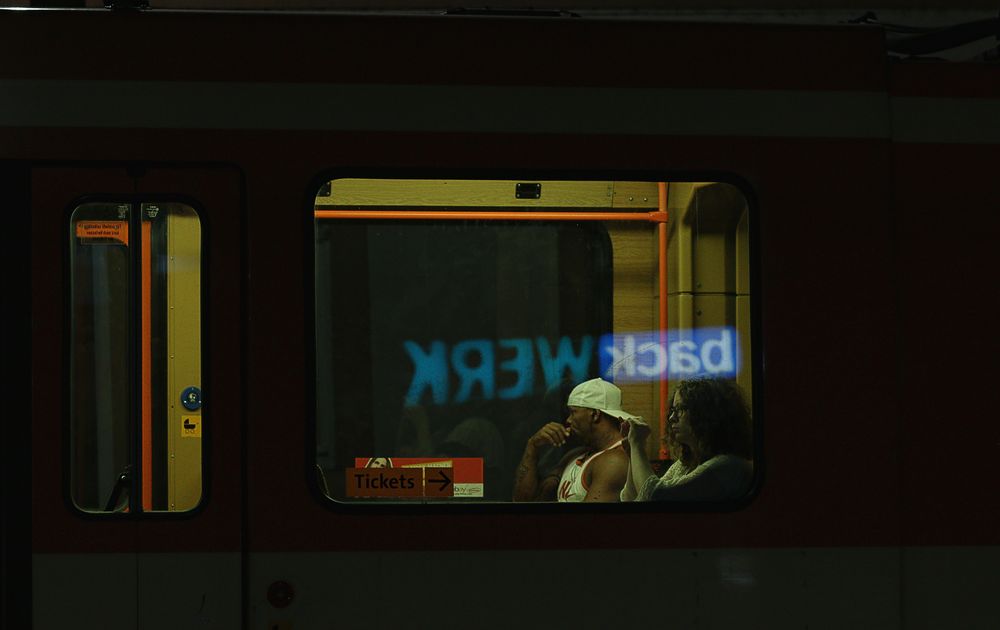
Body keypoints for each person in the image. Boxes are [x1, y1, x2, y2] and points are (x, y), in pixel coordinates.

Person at [620, 377, 752, 502]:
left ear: (706, 413)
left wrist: (637, 445)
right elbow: (632, 499)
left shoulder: (729, 467)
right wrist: (633, 452)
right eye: (672, 410)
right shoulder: (686, 464)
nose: (671, 418)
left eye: (681, 409)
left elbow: (655, 498)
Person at [512, 378, 636, 502]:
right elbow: (523, 502)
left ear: (595, 414)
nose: (568, 420)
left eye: (573, 413)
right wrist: (532, 446)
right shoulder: (575, 456)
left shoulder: (614, 462)